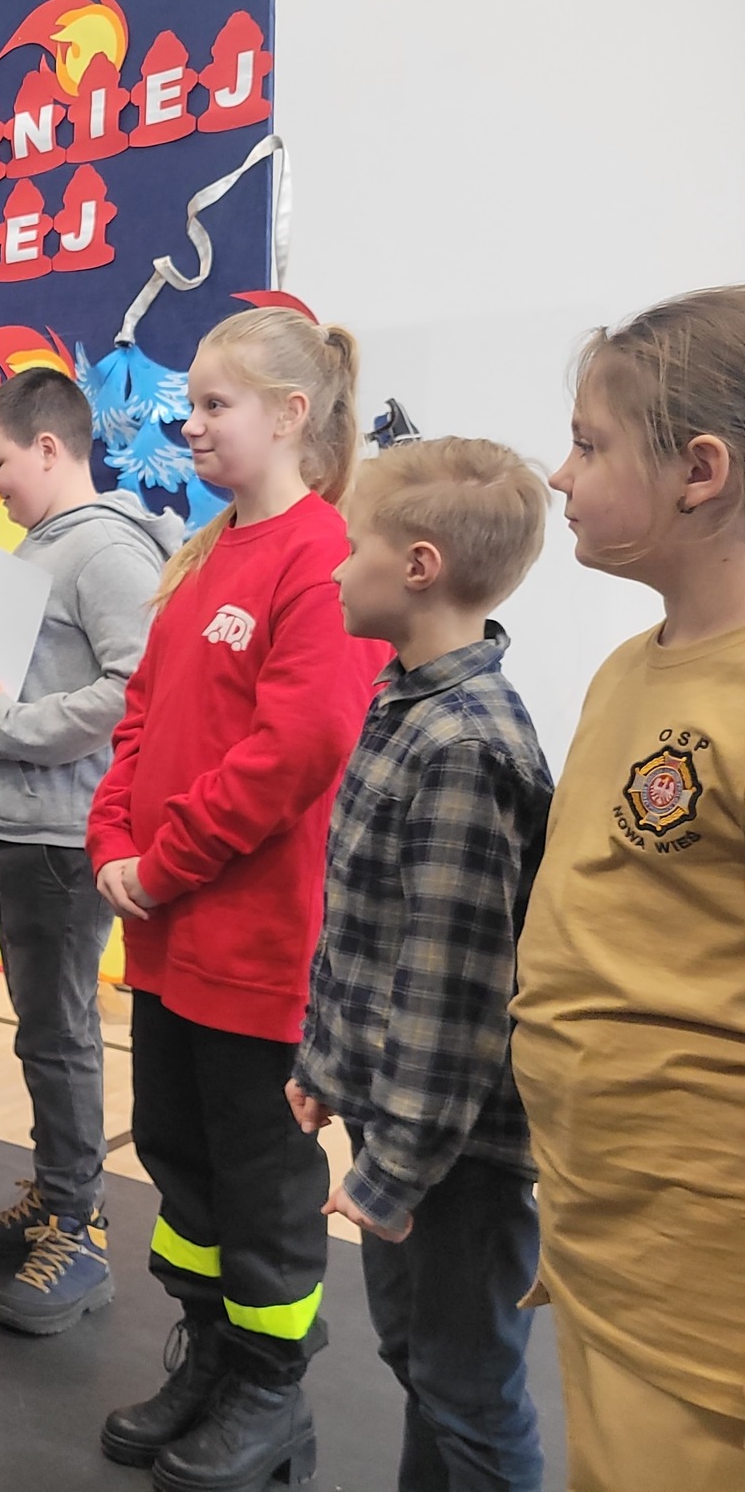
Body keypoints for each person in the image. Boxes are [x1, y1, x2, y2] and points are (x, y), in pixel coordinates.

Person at [86, 308, 388, 1490]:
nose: (190, 425)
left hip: (259, 946)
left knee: (262, 1185)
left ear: (290, 413)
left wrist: (164, 863)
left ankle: (268, 1393)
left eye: (214, 404)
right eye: (192, 404)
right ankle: (208, 1358)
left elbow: (296, 748)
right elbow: (142, 718)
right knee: (180, 1160)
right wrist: (112, 840)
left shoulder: (323, 555)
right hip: (169, 940)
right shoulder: (203, 552)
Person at [511, 287, 745, 1489]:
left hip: (703, 1287)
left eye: (588, 445)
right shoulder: (624, 669)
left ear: (697, 471)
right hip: (602, 1232)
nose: (558, 475)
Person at [288, 437, 554, 1492]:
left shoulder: (461, 747)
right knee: (419, 1363)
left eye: (352, 544)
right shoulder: (404, 703)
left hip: (452, 1155)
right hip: (400, 1120)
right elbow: (368, 930)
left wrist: (393, 1168)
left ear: (418, 568)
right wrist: (328, 1067)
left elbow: (451, 997)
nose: (334, 564)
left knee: (466, 1391)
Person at [0, 367, 180, 1334]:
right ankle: (58, 1195)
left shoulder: (104, 551)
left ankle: (80, 1232)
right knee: (42, 1034)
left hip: (61, 834)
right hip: (18, 825)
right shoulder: (39, 548)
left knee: (59, 1038)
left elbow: (137, 689)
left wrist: (8, 728)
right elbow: (16, 681)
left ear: (50, 448)